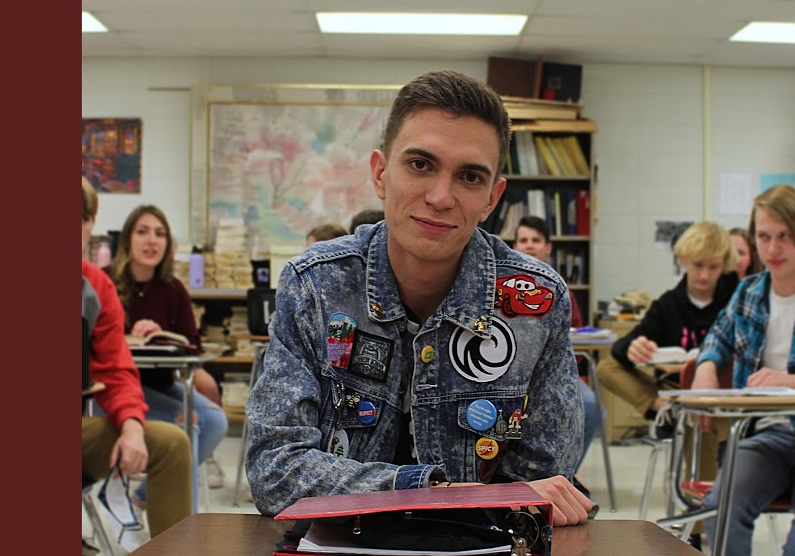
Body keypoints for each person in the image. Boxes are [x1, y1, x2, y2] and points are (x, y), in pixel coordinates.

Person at [246, 70, 595, 526]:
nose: (440, 197)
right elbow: (275, 470)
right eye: (420, 165)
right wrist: (434, 493)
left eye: (469, 176)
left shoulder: (536, 302)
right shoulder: (315, 286)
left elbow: (543, 480)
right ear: (380, 173)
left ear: (492, 198)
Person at [81, 178, 191, 538]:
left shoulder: (97, 286)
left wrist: (131, 425)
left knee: (177, 439)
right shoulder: (115, 280)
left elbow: (115, 369)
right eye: (142, 232)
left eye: (82, 218)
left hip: (139, 395)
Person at [696, 185, 795, 556]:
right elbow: (718, 337)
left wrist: (793, 381)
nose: (772, 249)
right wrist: (706, 367)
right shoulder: (749, 292)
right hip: (766, 435)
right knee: (720, 509)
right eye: (763, 236)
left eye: (785, 236)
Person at [595, 220, 739, 479]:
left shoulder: (735, 298)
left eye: (713, 267)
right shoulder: (668, 304)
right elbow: (620, 349)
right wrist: (634, 348)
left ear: (725, 264)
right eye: (698, 265)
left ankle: (700, 501)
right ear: (684, 260)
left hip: (722, 390)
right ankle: (663, 408)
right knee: (606, 367)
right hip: (678, 388)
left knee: (697, 418)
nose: (704, 275)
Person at [112, 204, 229, 491]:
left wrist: (160, 335)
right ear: (127, 239)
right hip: (119, 387)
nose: (152, 241)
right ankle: (179, 514)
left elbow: (193, 344)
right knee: (191, 425)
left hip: (162, 385)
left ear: (168, 244)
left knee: (216, 421)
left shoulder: (173, 288)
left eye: (160, 234)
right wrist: (130, 335)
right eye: (142, 232)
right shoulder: (106, 282)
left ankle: (142, 496)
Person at [511, 215, 602, 476]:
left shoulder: (560, 290)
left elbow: (575, 349)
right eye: (523, 240)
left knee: (591, 406)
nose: (529, 245)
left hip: (554, 374)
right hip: (510, 375)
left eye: (536, 240)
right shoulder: (499, 287)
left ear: (548, 247)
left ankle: (564, 476)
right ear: (514, 246)